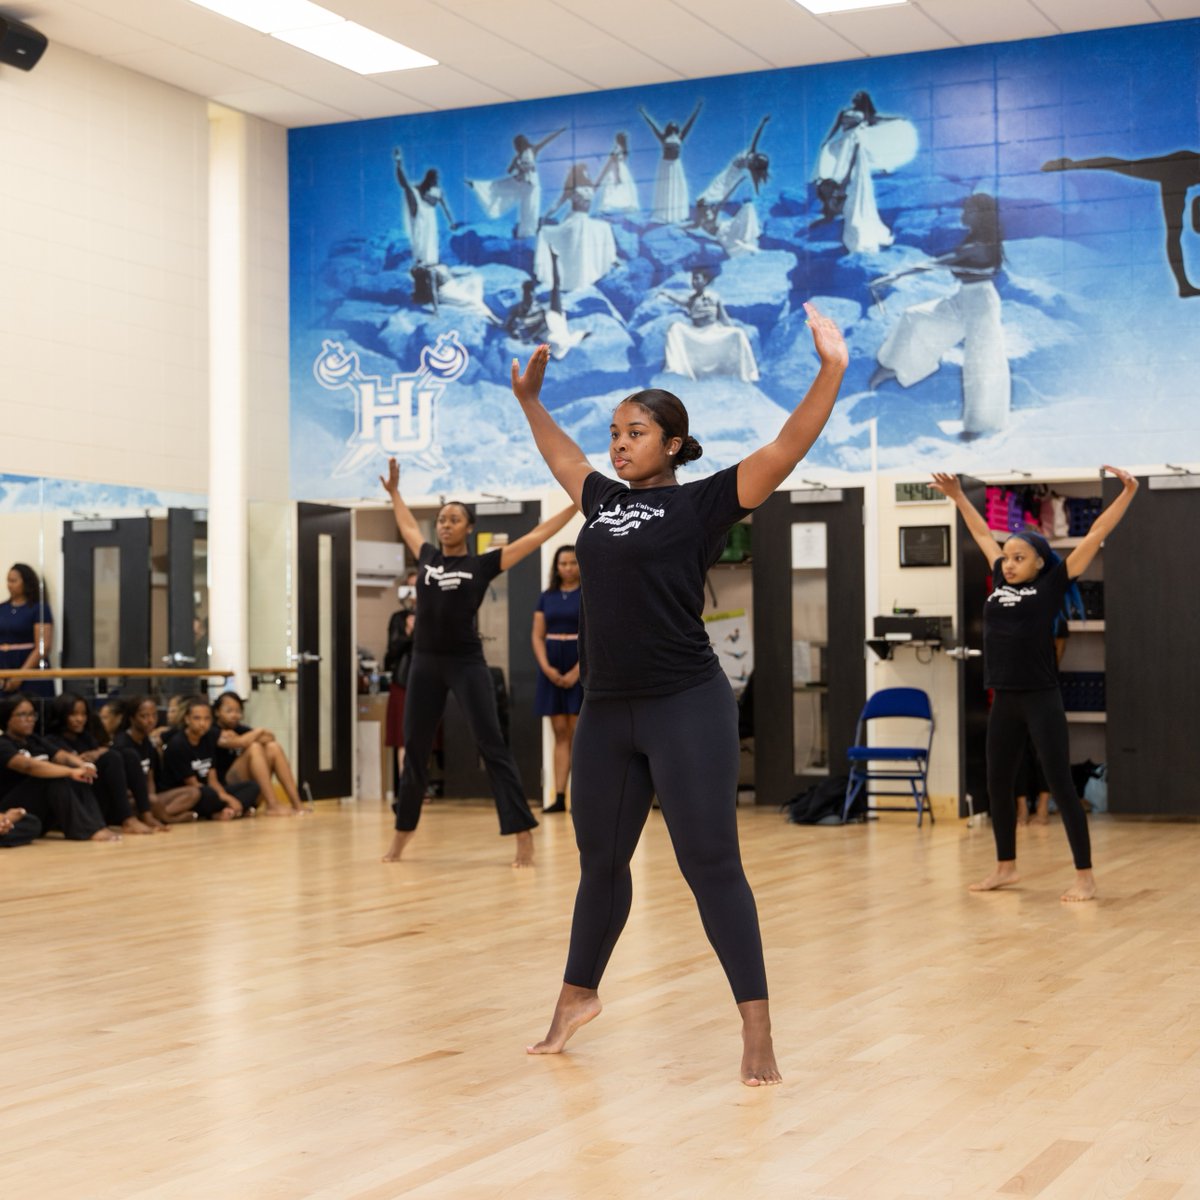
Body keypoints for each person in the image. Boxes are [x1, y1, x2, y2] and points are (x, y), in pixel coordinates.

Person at [509, 300, 848, 1085]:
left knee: (710, 863)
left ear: (672, 443)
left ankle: (756, 1030)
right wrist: (530, 401)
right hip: (607, 708)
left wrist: (830, 370)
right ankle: (575, 998)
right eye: (615, 433)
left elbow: (787, 446)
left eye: (635, 433)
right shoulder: (601, 501)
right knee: (601, 862)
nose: (618, 445)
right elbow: (562, 457)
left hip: (684, 702)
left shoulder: (701, 502)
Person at [931, 468, 1140, 901]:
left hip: (1041, 697)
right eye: (1006, 557)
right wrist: (956, 496)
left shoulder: (1051, 585)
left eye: (1019, 557)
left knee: (1060, 785)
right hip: (1004, 697)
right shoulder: (1000, 578)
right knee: (997, 783)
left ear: (1040, 562)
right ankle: (1005, 867)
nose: (1008, 563)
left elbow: (1097, 531)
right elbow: (980, 530)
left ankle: (1085, 876)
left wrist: (1129, 493)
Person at [378, 459, 576, 867]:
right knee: (414, 749)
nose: (446, 524)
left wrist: (575, 504)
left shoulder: (482, 564)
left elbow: (537, 535)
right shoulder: (428, 557)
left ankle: (523, 835)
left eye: (454, 519)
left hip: (466, 663)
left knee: (492, 745)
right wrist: (396, 494)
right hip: (425, 663)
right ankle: (402, 835)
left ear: (469, 528)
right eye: (443, 519)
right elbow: (408, 527)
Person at [870, 193, 1010, 438]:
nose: (963, 214)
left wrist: (896, 275)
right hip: (964, 298)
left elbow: (940, 262)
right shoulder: (975, 241)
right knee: (914, 316)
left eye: (968, 210)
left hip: (982, 303)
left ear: (981, 215)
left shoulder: (981, 245)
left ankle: (979, 425)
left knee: (982, 362)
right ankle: (896, 366)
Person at [1042, 152, 1200, 298]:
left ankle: (1183, 286)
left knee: (1174, 232)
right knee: (1119, 165)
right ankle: (1183, 286)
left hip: (1180, 173)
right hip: (1175, 170)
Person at [0, 694, 118, 842]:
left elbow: (62, 755)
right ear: (7, 718)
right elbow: (28, 766)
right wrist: (70, 771)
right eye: (23, 715)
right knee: (54, 779)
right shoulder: (3, 744)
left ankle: (97, 825)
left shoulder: (35, 740)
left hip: (38, 808)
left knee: (81, 778)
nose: (29, 719)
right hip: (14, 803)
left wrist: (83, 766)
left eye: (32, 714)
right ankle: (84, 831)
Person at [45, 693, 156, 834]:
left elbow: (105, 748)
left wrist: (96, 753)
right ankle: (127, 819)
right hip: (75, 800)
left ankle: (146, 814)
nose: (80, 719)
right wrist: (81, 762)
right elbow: (63, 761)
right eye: (73, 714)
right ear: (61, 715)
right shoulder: (51, 741)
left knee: (129, 755)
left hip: (97, 796)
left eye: (83, 714)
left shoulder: (85, 737)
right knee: (112, 758)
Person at [814, 90, 907, 253]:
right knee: (838, 173)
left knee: (857, 180)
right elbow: (835, 127)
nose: (855, 98)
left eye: (858, 96)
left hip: (857, 145)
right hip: (845, 144)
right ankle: (835, 203)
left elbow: (878, 119)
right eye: (854, 96)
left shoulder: (865, 114)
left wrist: (896, 119)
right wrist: (827, 141)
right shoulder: (844, 111)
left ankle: (860, 223)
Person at [531, 545, 582, 814]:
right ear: (556, 567)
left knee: (579, 733)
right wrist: (547, 668)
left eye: (573, 563)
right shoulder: (546, 597)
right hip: (551, 665)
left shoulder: (588, 594)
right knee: (560, 733)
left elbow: (595, 636)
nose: (568, 568)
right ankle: (559, 796)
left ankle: (582, 798)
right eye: (563, 564)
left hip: (579, 663)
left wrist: (577, 671)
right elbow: (537, 635)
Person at [159, 696, 259, 820]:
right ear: (187, 719)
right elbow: (193, 784)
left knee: (252, 786)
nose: (202, 723)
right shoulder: (178, 744)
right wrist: (227, 799)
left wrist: (225, 796)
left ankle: (225, 811)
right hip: (185, 793)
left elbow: (212, 779)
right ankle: (226, 811)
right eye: (197, 718)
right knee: (207, 794)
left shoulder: (209, 737)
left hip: (208, 791)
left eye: (207, 719)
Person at [212, 691, 306, 816]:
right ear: (217, 712)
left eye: (238, 711)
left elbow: (270, 737)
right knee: (254, 747)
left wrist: (251, 735)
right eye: (229, 711)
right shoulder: (212, 731)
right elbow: (241, 742)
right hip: (227, 786)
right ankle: (272, 804)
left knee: (273, 747)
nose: (234, 715)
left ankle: (297, 803)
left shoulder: (239, 729)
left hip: (250, 786)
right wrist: (258, 732)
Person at [660, 265, 759, 382]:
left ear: (705, 281)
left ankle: (747, 373)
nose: (694, 282)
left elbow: (723, 318)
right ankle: (675, 368)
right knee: (675, 328)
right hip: (696, 332)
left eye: (697, 278)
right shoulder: (691, 299)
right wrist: (666, 294)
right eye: (693, 279)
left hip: (713, 331)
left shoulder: (714, 297)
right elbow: (679, 299)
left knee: (738, 333)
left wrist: (731, 329)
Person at [113, 695, 201, 824]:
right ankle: (168, 818)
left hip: (147, 798)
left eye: (154, 715)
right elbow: (118, 785)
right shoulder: (122, 743)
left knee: (194, 792)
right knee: (152, 801)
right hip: (128, 800)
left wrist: (150, 796)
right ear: (132, 718)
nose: (151, 720)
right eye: (144, 716)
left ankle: (156, 814)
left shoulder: (147, 742)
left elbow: (150, 776)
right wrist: (146, 799)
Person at [534, 163, 618, 293]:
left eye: (587, 171)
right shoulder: (572, 188)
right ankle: (570, 280)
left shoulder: (589, 186)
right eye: (584, 171)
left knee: (604, 228)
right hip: (573, 220)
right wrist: (544, 217)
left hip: (585, 220)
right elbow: (557, 204)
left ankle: (601, 268)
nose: (587, 173)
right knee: (574, 238)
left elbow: (601, 177)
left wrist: (609, 165)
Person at [467, 129, 566, 239]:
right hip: (522, 182)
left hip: (532, 183)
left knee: (531, 208)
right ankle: (477, 185)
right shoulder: (518, 157)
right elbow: (509, 170)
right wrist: (517, 166)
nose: (518, 147)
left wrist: (560, 131)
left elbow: (547, 140)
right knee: (503, 188)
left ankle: (528, 234)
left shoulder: (532, 150)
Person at [505, 251, 589, 360]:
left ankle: (553, 260)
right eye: (528, 294)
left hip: (550, 321)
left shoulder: (540, 314)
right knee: (555, 289)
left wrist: (554, 261)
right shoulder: (518, 311)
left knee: (554, 290)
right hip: (552, 323)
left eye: (531, 294)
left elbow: (556, 285)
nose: (530, 297)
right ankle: (554, 260)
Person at [393, 146, 457, 268]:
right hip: (420, 214)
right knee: (420, 236)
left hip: (430, 217)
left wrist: (451, 222)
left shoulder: (438, 191)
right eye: (435, 178)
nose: (437, 180)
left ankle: (430, 261)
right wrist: (398, 163)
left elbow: (445, 207)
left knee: (430, 238)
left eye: (437, 178)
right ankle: (420, 259)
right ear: (430, 178)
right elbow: (405, 184)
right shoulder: (419, 188)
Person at [640, 101, 702, 224]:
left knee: (677, 188)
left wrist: (697, 109)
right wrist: (644, 113)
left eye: (675, 129)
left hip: (676, 165)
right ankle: (664, 215)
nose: (674, 130)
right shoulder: (664, 138)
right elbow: (653, 126)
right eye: (672, 128)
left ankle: (678, 215)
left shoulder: (679, 137)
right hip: (666, 166)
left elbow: (690, 123)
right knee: (666, 189)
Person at [0, 563, 54, 703]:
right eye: (8, 581)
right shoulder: (2, 608)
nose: (9, 585)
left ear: (26, 582)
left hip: (28, 665)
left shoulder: (38, 608)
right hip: (4, 666)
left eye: (14, 581)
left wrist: (20, 675)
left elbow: (43, 646)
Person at [593, 132, 639, 214]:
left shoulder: (620, 149)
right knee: (613, 187)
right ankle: (609, 205)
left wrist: (617, 175)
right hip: (619, 169)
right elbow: (615, 161)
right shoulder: (619, 149)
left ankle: (615, 205)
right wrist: (616, 175)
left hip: (619, 169)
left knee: (619, 187)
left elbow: (616, 161)